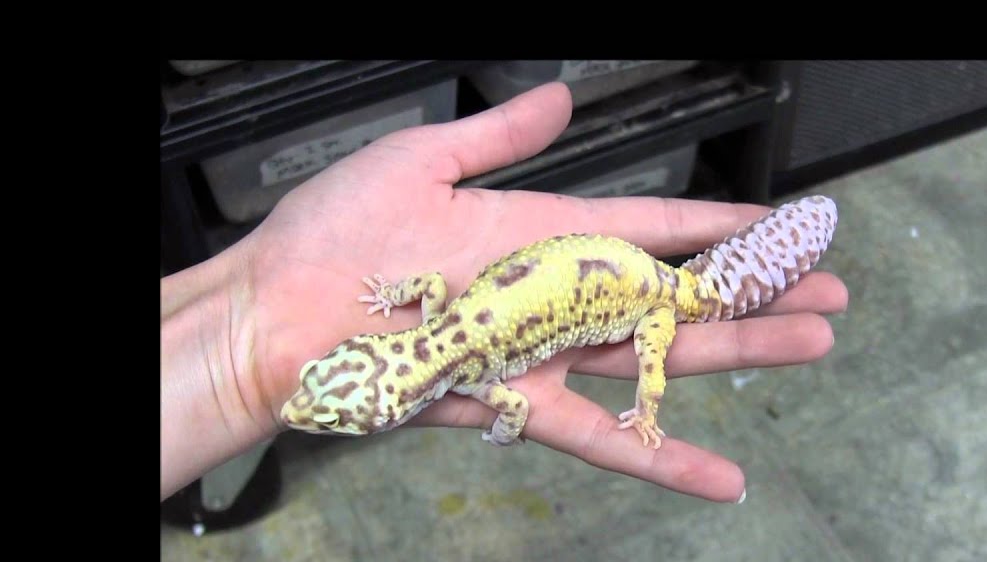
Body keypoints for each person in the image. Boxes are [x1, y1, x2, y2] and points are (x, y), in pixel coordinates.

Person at [160, 82, 848, 505]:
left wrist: (624, 409)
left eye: (331, 409)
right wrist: (396, 294)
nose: (297, 408)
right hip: (620, 268)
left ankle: (648, 406)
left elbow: (515, 408)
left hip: (652, 296)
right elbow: (433, 290)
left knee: (653, 355)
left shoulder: (477, 374)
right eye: (330, 408)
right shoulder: (439, 322)